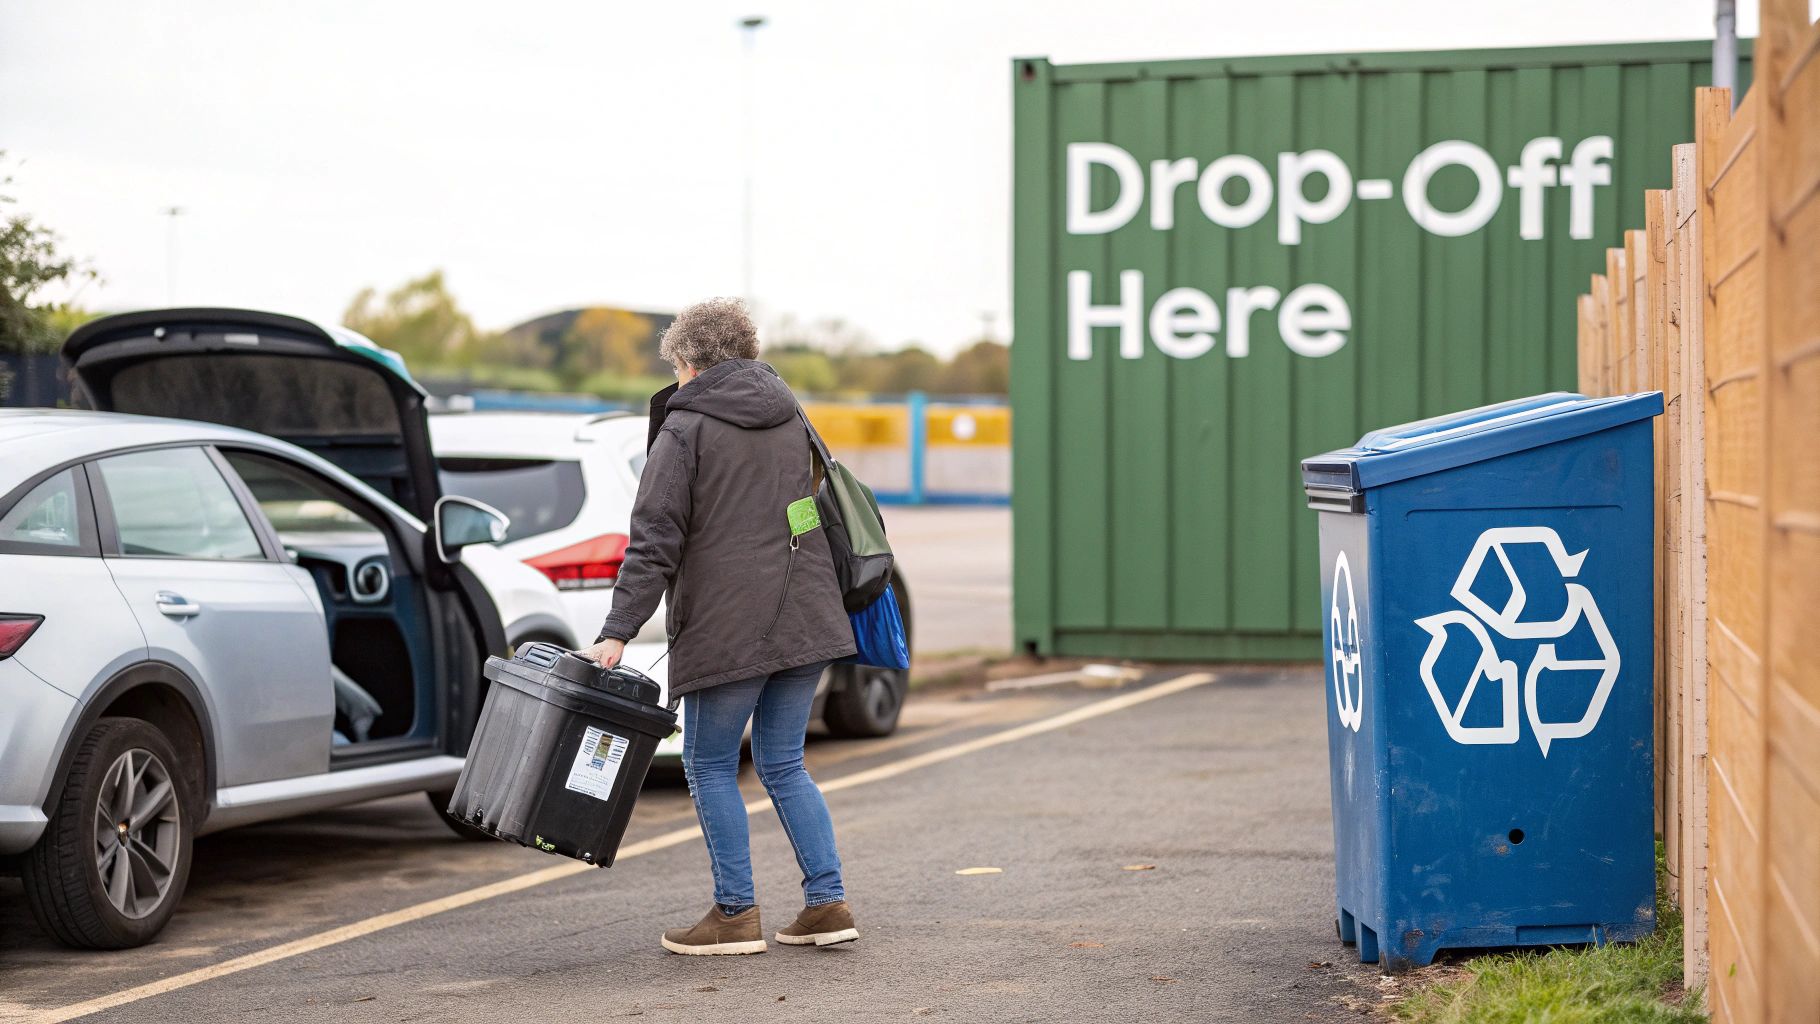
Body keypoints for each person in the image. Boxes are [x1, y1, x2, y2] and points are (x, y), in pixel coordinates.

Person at [578, 298, 860, 955]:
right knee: (785, 763)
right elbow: (810, 503)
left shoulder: (685, 429)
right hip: (807, 611)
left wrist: (619, 628)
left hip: (729, 624)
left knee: (708, 765)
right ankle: (827, 903)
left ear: (686, 361)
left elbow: (654, 540)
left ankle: (735, 914)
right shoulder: (791, 412)